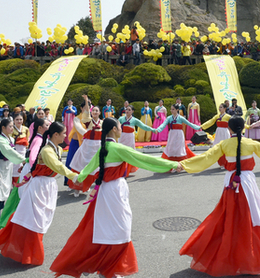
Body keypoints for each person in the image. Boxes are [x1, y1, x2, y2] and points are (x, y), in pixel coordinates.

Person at [50, 117, 178, 278]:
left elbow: (85, 172)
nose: (121, 128)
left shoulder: (103, 148)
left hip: (104, 192)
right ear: (114, 130)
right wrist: (172, 164)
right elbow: (145, 160)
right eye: (119, 126)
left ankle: (102, 267)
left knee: (106, 231)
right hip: (115, 192)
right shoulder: (118, 148)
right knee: (120, 231)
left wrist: (74, 177)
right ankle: (107, 268)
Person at [179, 116, 260, 275]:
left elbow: (206, 158)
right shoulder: (250, 143)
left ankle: (227, 257)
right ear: (243, 128)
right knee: (252, 218)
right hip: (248, 184)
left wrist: (183, 165)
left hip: (231, 184)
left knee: (228, 217)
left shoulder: (224, 144)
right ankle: (255, 260)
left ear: (229, 129)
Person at [0, 122, 78, 265]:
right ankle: (31, 253)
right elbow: (58, 166)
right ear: (55, 134)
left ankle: (25, 249)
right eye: (64, 133)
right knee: (35, 220)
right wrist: (74, 176)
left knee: (41, 218)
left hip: (48, 185)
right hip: (39, 186)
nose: (66, 135)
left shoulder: (57, 149)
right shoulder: (47, 150)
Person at [0, 118, 49, 229]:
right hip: (31, 170)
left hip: (30, 169)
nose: (48, 127)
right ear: (40, 128)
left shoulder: (39, 138)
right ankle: (18, 222)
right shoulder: (39, 139)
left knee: (26, 196)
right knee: (25, 196)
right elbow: (32, 157)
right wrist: (35, 169)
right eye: (47, 125)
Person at [68, 95, 102, 195]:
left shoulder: (103, 122)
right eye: (93, 110)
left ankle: (87, 186)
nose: (95, 112)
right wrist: (87, 102)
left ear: (100, 112)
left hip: (97, 147)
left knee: (94, 167)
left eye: (97, 110)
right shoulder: (88, 120)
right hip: (87, 146)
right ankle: (77, 188)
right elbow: (86, 112)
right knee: (81, 165)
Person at [11, 113, 29, 184]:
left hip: (23, 149)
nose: (19, 121)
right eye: (17, 119)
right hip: (14, 149)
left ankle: (20, 181)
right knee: (14, 166)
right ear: (14, 120)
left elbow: (27, 140)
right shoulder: (11, 128)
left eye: (20, 119)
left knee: (21, 165)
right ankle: (13, 182)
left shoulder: (26, 129)